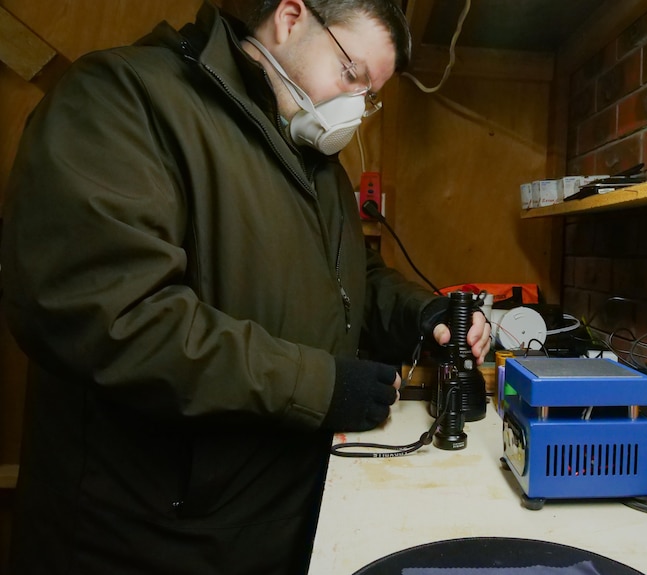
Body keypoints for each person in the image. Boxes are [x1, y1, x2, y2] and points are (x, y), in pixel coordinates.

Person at [0, 0, 491, 573]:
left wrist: (420, 313)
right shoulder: (123, 97)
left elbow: (352, 277)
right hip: (148, 540)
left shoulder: (315, 163)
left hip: (270, 520)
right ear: (289, 18)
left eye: (369, 95)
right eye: (351, 73)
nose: (355, 107)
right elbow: (113, 317)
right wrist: (321, 386)